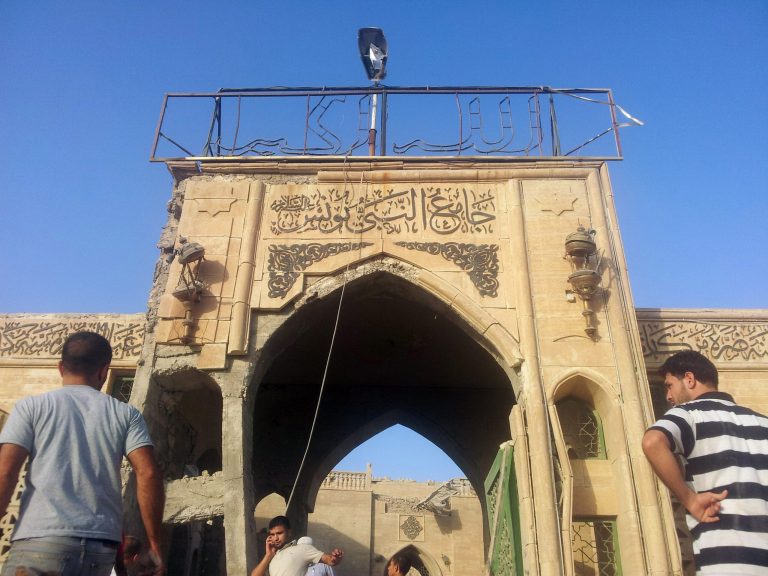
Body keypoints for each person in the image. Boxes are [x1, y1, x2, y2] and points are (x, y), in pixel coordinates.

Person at [0, 331, 165, 576]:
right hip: (100, 549)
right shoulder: (125, 414)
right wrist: (154, 543)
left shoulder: (30, 407)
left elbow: (6, 472)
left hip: (40, 540)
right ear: (104, 371)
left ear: (60, 367)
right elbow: (148, 473)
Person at [642, 350, 768, 574]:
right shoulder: (762, 423)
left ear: (689, 379)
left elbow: (653, 441)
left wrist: (689, 499)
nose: (669, 397)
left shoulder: (690, 414)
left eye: (669, 385)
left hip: (726, 561)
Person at [251, 515, 343, 576]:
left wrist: (335, 558)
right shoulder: (273, 558)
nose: (275, 538)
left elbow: (329, 560)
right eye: (272, 534)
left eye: (279, 533)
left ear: (289, 532)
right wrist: (268, 555)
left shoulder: (302, 548)